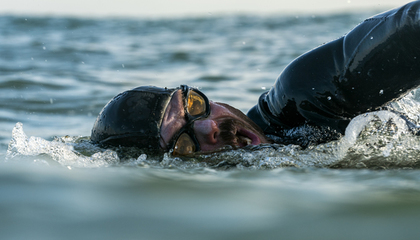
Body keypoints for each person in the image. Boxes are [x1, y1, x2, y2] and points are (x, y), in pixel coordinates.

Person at [91, 1, 420, 156]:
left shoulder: (306, 94)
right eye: (186, 144)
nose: (211, 127)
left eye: (194, 105)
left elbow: (409, 28)